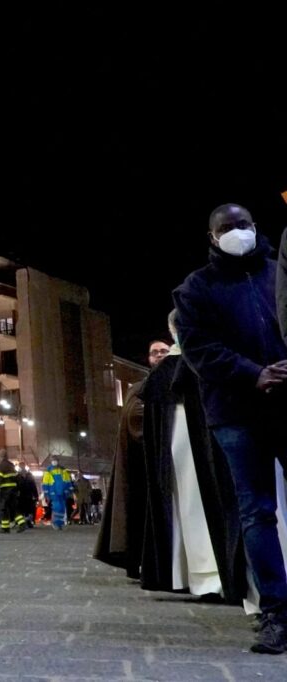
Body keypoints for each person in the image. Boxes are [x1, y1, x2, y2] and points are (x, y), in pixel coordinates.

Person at [175, 204, 287, 654]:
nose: (236, 233)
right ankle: (276, 611)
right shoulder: (195, 289)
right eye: (226, 228)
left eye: (242, 225)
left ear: (255, 227)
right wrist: (251, 373)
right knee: (256, 511)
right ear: (211, 236)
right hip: (236, 411)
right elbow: (197, 347)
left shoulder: (279, 272)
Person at [137, 310, 247, 603]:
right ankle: (214, 577)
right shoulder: (183, 366)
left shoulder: (184, 364)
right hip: (194, 455)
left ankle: (210, 577)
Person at [95, 340, 162, 577]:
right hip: (139, 464)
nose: (159, 356)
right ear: (149, 359)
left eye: (164, 351)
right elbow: (133, 416)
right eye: (155, 352)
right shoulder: (139, 387)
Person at [0, 450, 25, 533]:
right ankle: (22, 523)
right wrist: (18, 489)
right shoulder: (11, 465)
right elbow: (18, 478)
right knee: (14, 508)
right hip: (13, 491)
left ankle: (5, 528)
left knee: (3, 509)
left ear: (0, 456)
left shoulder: (0, 466)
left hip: (4, 491)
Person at [42, 457, 73, 530]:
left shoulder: (63, 469)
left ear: (58, 461)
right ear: (51, 461)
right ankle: (55, 522)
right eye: (53, 460)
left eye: (55, 460)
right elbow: (45, 482)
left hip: (62, 491)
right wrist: (46, 492)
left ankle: (59, 523)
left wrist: (69, 489)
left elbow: (67, 480)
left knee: (62, 507)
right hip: (53, 491)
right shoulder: (48, 470)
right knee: (57, 507)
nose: (54, 462)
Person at [16, 462, 38, 529]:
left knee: (29, 510)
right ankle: (23, 523)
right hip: (20, 496)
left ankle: (29, 522)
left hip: (29, 496)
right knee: (21, 510)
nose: (22, 467)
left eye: (23, 466)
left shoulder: (29, 475)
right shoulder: (17, 476)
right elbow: (15, 486)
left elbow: (33, 486)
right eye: (20, 466)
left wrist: (36, 495)